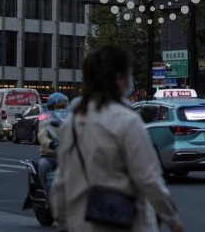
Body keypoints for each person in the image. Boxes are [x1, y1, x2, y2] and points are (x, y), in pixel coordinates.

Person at [51, 45, 184, 232]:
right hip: (123, 222)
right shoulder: (127, 121)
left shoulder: (72, 122)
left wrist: (63, 221)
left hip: (79, 223)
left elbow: (60, 182)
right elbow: (149, 179)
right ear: (119, 79)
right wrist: (172, 218)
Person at [38, 92, 69, 195]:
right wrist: (50, 143)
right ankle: (47, 193)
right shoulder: (44, 119)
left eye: (63, 106)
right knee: (42, 166)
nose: (61, 109)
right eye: (58, 107)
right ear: (51, 107)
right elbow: (41, 135)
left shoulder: (70, 119)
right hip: (50, 155)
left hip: (67, 155)